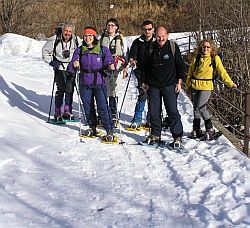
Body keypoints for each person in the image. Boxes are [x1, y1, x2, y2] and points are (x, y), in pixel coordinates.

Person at [67, 27, 116, 142]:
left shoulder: (102, 50)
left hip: (99, 81)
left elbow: (109, 61)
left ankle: (109, 130)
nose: (87, 38)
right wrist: (74, 64)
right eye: (85, 36)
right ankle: (92, 127)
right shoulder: (79, 50)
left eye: (90, 36)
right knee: (88, 107)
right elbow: (71, 67)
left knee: (103, 107)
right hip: (84, 82)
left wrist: (110, 65)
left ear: (94, 37)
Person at [186, 38, 237, 140]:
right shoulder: (197, 57)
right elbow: (190, 72)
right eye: (204, 46)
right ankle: (196, 129)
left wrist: (230, 83)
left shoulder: (215, 59)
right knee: (195, 108)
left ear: (211, 48)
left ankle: (210, 129)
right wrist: (188, 85)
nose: (205, 49)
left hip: (206, 86)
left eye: (208, 47)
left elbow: (222, 72)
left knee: (201, 107)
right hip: (195, 84)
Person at [143, 26, 185, 148]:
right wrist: (144, 82)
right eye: (158, 37)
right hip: (153, 85)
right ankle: (156, 134)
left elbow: (180, 66)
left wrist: (179, 82)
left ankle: (177, 136)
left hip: (169, 85)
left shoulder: (172, 47)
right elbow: (144, 66)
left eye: (163, 36)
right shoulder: (151, 47)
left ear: (167, 35)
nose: (161, 39)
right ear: (155, 36)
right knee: (154, 112)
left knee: (172, 111)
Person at [42, 21, 80, 120]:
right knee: (60, 90)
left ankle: (67, 110)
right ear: (62, 30)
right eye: (66, 31)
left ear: (72, 32)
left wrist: (78, 62)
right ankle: (58, 111)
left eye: (70, 31)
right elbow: (45, 51)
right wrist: (51, 62)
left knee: (70, 89)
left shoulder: (76, 40)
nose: (67, 33)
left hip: (71, 67)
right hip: (59, 67)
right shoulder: (55, 39)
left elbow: (81, 51)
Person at [128, 20, 155, 130]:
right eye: (145, 29)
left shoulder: (156, 41)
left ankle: (151, 120)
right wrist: (132, 60)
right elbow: (132, 55)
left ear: (153, 29)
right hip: (141, 73)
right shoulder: (137, 41)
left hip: (154, 74)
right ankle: (137, 119)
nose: (147, 31)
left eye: (149, 29)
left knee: (153, 97)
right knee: (143, 95)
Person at [100, 18, 127, 127]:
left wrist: (125, 68)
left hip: (117, 66)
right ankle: (103, 114)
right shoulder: (102, 37)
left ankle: (114, 114)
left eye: (112, 25)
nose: (110, 27)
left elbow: (125, 53)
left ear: (116, 27)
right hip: (105, 67)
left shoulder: (121, 38)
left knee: (114, 90)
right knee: (104, 90)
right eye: (109, 25)